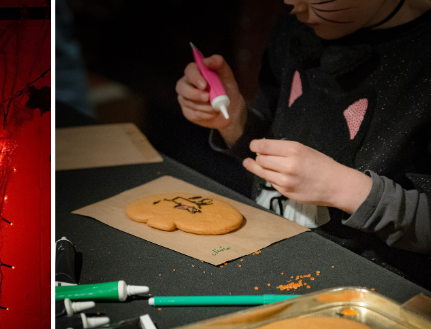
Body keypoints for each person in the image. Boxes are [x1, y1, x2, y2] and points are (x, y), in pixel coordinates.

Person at [176, 0, 431, 286]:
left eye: (319, 0)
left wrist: (342, 188)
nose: (297, 8)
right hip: (267, 253)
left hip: (369, 288)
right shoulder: (296, 25)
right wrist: (235, 122)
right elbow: (271, 146)